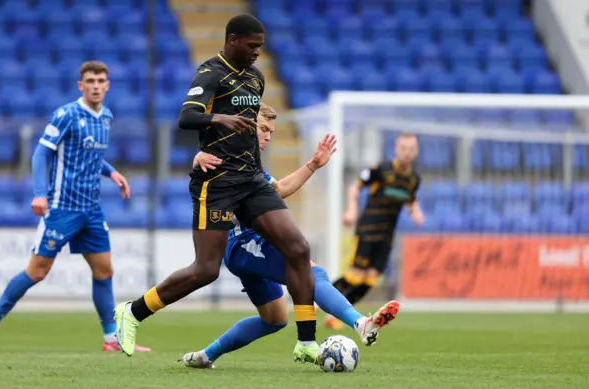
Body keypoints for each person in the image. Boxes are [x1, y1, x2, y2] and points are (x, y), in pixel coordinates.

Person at [113, 14, 319, 363]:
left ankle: (307, 341)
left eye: (261, 47)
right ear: (233, 39)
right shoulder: (211, 73)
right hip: (217, 183)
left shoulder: (256, 78)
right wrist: (219, 118)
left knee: (298, 248)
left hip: (251, 178)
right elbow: (186, 117)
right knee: (206, 270)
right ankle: (132, 312)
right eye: (252, 46)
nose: (257, 52)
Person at [181, 103, 400, 369]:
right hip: (243, 242)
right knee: (311, 272)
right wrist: (197, 157)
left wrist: (313, 164)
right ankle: (360, 323)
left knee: (274, 319)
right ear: (247, 124)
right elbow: (204, 160)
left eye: (271, 132)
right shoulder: (231, 157)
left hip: (248, 245)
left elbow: (280, 188)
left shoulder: (250, 165)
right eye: (262, 129)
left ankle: (206, 356)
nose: (267, 137)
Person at [0, 61, 150, 354]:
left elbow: (90, 155)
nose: (96, 85)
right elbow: (41, 152)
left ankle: (111, 339)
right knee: (37, 272)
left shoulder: (106, 116)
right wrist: (39, 193)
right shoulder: (66, 114)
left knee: (104, 270)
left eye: (101, 81)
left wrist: (112, 172)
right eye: (90, 81)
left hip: (91, 209)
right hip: (61, 208)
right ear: (80, 86)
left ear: (107, 86)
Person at [325, 133, 424, 330]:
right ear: (397, 149)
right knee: (355, 275)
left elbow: (410, 199)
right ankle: (316, 298)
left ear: (416, 151)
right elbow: (355, 186)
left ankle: (338, 315)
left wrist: (416, 212)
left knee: (370, 278)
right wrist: (352, 209)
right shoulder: (381, 170)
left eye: (411, 149)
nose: (407, 153)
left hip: (386, 236)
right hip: (368, 229)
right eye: (403, 148)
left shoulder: (413, 179)